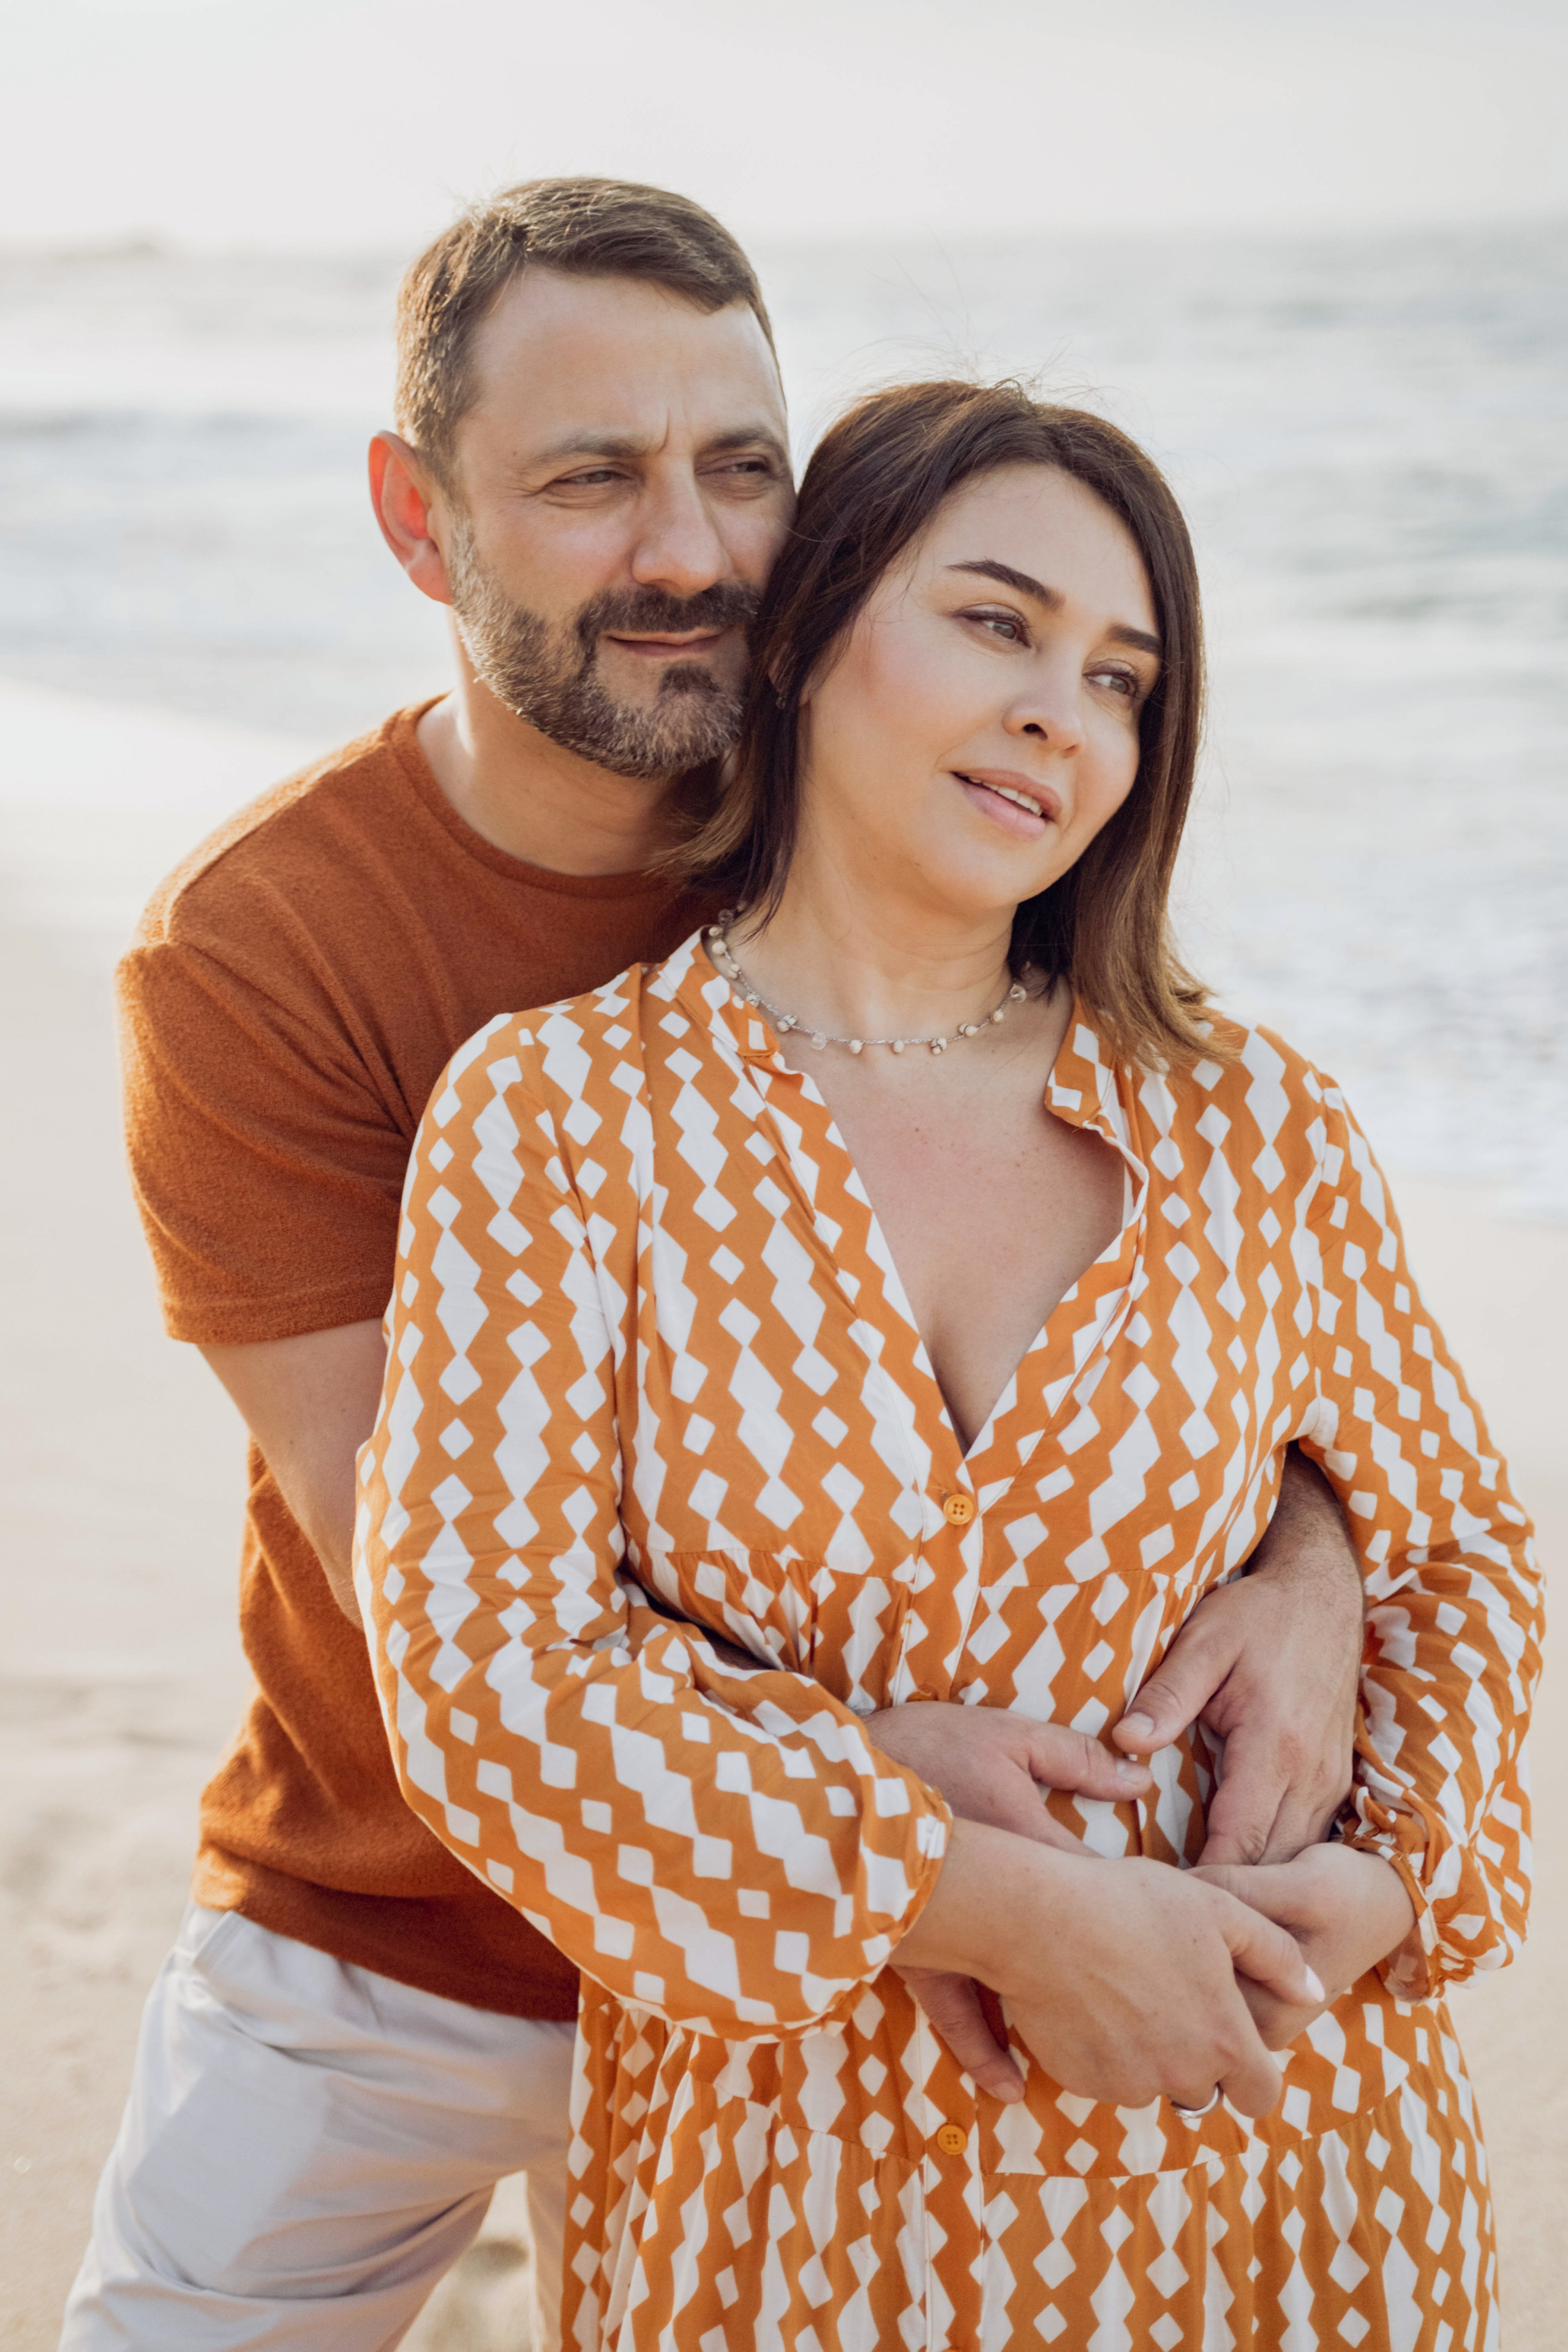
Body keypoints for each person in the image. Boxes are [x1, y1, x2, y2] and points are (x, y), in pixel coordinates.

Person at [70, 184, 1362, 2350]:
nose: (688, 549)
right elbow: (432, 1578)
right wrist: (901, 1827)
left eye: (740, 467)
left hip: (855, 1995)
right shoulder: (262, 953)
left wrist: (1316, 1557)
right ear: (419, 520)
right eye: (590, 479)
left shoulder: (914, 810)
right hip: (403, 1921)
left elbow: (1211, 1279)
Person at [358, 375, 1543, 2350]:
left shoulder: (1255, 1121)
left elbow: (1461, 1549)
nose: (1059, 714)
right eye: (996, 623)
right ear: (813, 632)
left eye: (1122, 677)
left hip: (1272, 2164)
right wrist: (978, 1899)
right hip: (798, 2197)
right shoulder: (561, 1119)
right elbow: (488, 1682)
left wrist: (1397, 1885)